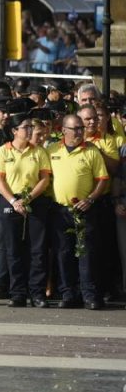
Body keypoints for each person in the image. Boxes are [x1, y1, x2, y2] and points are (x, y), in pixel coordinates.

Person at [0, 113, 53, 308]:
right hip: (10, 200)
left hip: (33, 200)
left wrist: (27, 199)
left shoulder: (39, 152)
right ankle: (17, 292)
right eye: (25, 127)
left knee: (38, 249)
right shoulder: (2, 152)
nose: (30, 131)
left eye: (30, 127)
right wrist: (14, 200)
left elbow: (44, 179)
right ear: (14, 131)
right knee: (13, 249)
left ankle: (37, 293)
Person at [47, 114, 109, 309]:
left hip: (84, 209)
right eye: (76, 128)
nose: (80, 132)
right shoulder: (52, 150)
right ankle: (69, 294)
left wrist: (90, 199)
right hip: (60, 209)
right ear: (64, 130)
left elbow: (102, 179)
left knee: (87, 254)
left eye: (81, 128)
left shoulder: (91, 150)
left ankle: (89, 295)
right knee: (63, 252)